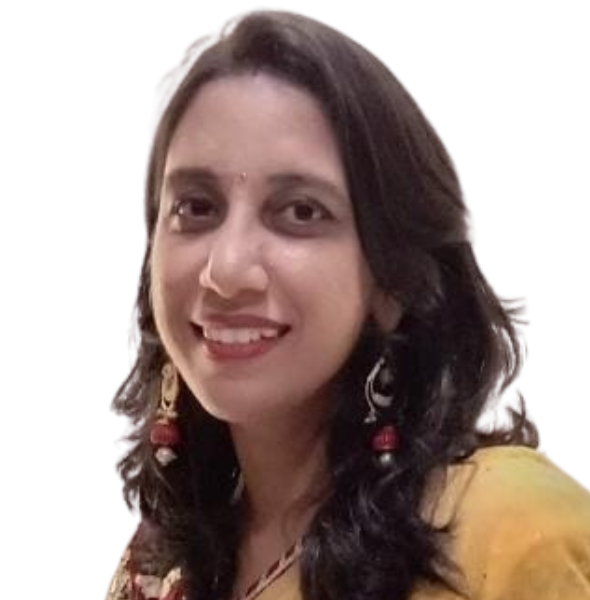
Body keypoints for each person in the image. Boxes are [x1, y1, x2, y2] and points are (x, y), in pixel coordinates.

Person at [106, 10, 590, 600]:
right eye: (196, 207)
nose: (226, 271)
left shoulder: (511, 533)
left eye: (300, 211)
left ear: (395, 278)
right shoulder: (160, 563)